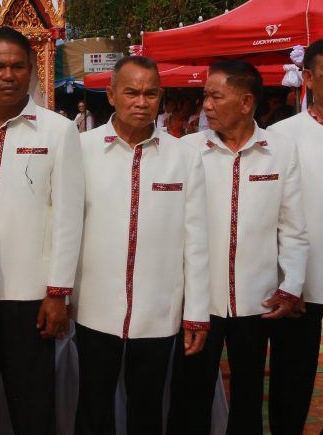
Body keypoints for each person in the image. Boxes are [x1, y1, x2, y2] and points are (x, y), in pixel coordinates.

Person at [0, 27, 85, 435]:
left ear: (31, 72)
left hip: (30, 297)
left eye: (17, 66)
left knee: (32, 408)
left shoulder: (58, 131)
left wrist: (58, 292)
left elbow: (68, 216)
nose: (8, 75)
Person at [73, 55, 210, 435]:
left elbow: (196, 239)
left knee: (147, 409)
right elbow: (64, 226)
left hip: (158, 309)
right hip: (93, 307)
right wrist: (59, 291)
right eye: (131, 92)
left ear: (160, 97)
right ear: (111, 95)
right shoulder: (81, 149)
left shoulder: (183, 156)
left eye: (150, 94)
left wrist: (196, 312)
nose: (141, 102)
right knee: (93, 407)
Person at [170, 60, 307, 435]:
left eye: (216, 96)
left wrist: (291, 285)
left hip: (257, 301)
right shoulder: (187, 149)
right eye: (205, 96)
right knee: (190, 397)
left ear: (246, 102)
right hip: (198, 300)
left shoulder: (280, 151)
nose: (206, 105)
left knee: (247, 399)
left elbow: (293, 227)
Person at [269, 38, 323, 435]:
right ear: (307, 76)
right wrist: (285, 278)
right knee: (291, 382)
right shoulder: (282, 135)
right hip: (298, 281)